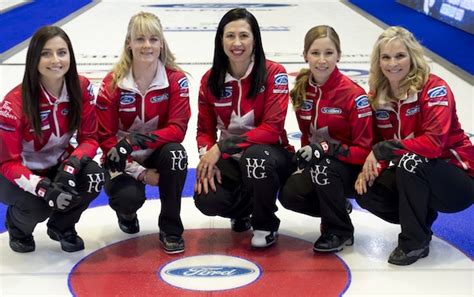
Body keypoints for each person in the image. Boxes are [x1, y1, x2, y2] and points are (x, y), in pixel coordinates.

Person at [355, 26, 474, 265]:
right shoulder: (378, 95)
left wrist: (383, 151)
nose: (392, 64)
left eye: (400, 56)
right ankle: (421, 218)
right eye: (385, 57)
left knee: (411, 161)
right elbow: (379, 142)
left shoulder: (434, 88)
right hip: (414, 174)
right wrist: (372, 168)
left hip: (457, 178)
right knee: (366, 190)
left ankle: (414, 242)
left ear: (413, 57)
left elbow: (433, 144)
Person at [194, 8, 294, 248]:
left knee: (255, 156)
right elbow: (204, 130)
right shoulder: (210, 80)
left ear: (255, 39)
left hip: (273, 156)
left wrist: (221, 147)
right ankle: (243, 210)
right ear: (220, 40)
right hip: (230, 158)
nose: (236, 43)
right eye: (230, 36)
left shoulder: (273, 73)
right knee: (206, 198)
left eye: (243, 35)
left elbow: (272, 129)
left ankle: (265, 223)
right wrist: (207, 157)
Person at [0, 26, 105, 253]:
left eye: (61, 52)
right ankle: (18, 227)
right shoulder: (14, 103)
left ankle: (62, 226)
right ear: (34, 59)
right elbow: (8, 163)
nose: (55, 60)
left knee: (95, 176)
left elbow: (89, 138)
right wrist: (43, 188)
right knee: (39, 207)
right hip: (15, 172)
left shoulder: (82, 87)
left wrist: (70, 167)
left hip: (56, 164)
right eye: (46, 53)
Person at [96, 12, 190, 254]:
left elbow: (178, 129)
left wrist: (136, 140)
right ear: (129, 43)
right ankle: (126, 213)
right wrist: (140, 173)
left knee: (176, 154)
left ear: (161, 43)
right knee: (127, 198)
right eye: (139, 39)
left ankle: (171, 229)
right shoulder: (112, 83)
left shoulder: (175, 80)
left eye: (153, 39)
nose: (147, 45)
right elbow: (105, 138)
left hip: (156, 151)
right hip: (121, 157)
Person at [278, 25, 373, 253]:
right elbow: (306, 136)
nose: (322, 60)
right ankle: (338, 206)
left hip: (350, 168)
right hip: (321, 161)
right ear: (305, 55)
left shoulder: (354, 95)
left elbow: (364, 150)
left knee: (323, 169)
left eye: (329, 53)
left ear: (339, 55)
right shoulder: (302, 90)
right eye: (315, 53)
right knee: (290, 194)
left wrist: (326, 149)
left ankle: (338, 230)